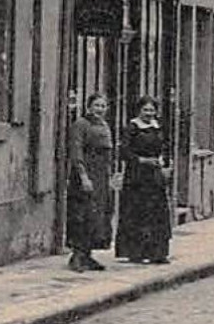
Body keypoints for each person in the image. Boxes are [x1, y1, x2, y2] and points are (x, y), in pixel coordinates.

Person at [115, 96, 172, 264]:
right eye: (145, 110)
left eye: (152, 110)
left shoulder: (158, 127)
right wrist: (142, 160)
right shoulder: (132, 128)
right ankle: (136, 252)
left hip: (155, 177)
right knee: (137, 212)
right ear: (139, 111)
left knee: (156, 213)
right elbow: (124, 152)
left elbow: (164, 148)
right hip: (137, 177)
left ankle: (157, 253)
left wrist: (164, 164)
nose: (149, 114)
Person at [65, 94, 115, 272]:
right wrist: (83, 176)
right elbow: (76, 151)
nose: (100, 109)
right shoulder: (81, 124)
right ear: (89, 107)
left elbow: (108, 154)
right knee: (81, 214)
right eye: (96, 106)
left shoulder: (104, 126)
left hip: (101, 175)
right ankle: (77, 255)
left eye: (103, 106)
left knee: (97, 215)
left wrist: (109, 177)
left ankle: (87, 254)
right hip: (86, 171)